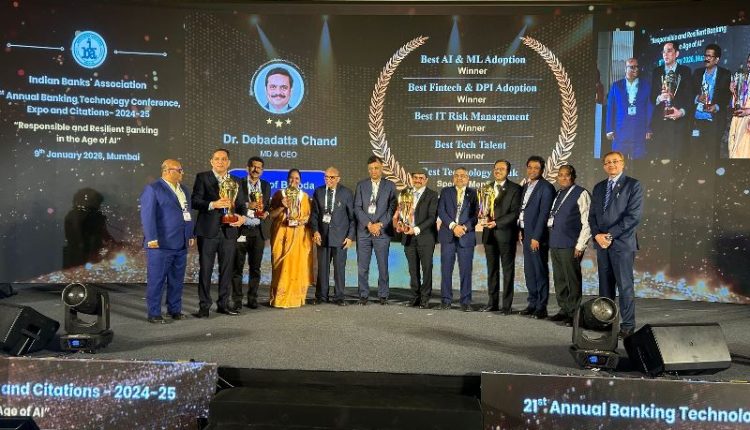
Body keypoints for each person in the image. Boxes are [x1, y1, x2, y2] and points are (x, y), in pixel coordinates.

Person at [588, 151, 643, 338]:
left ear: (622, 163)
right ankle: (606, 323)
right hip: (601, 244)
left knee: (625, 286)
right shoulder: (599, 187)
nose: (611, 164)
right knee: (605, 287)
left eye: (615, 161)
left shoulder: (633, 185)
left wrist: (609, 235)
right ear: (604, 166)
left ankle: (627, 326)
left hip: (622, 244)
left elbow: (633, 217)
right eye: (607, 162)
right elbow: (592, 216)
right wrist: (597, 235)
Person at [192, 149, 247, 318]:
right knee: (206, 270)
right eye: (217, 159)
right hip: (208, 231)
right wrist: (213, 204)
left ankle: (223, 304)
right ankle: (204, 306)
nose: (220, 162)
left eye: (224, 159)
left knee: (227, 270)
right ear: (211, 161)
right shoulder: (202, 177)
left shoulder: (236, 181)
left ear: (228, 163)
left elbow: (241, 205)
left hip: (229, 232)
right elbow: (195, 201)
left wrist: (242, 217)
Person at [140, 159, 195, 324]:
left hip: (181, 242)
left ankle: (174, 310)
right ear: (167, 171)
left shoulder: (184, 189)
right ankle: (154, 313)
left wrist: (190, 235)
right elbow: (147, 216)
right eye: (179, 170)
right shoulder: (153, 188)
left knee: (176, 280)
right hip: (160, 244)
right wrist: (151, 239)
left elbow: (188, 213)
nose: (182, 172)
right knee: (157, 280)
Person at [547, 165, 591, 327]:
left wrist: (580, 245)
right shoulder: (558, 193)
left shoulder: (581, 193)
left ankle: (574, 313)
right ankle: (564, 309)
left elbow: (587, 222)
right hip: (555, 242)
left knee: (572, 279)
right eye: (561, 175)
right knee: (560, 279)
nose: (563, 178)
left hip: (571, 244)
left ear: (573, 176)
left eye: (567, 175)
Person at [354, 156, 397, 305]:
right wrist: (369, 224)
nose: (373, 171)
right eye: (371, 169)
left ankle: (383, 294)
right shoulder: (361, 185)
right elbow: (357, 207)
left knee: (382, 266)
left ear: (382, 168)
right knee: (362, 266)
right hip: (364, 232)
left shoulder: (390, 185)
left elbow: (392, 208)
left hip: (382, 232)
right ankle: (363, 294)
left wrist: (379, 224)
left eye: (376, 168)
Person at [480, 160, 522, 314]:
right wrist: (481, 216)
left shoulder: (515, 189)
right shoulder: (486, 188)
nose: (498, 171)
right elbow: (482, 209)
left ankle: (506, 306)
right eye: (496, 168)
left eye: (502, 169)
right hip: (489, 235)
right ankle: (492, 303)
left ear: (508, 171)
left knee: (507, 271)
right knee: (492, 270)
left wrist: (497, 223)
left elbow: (515, 212)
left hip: (506, 235)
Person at [268, 168, 313, 308]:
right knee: (281, 266)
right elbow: (271, 215)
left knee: (297, 265)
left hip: (299, 237)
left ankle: (296, 299)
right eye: (291, 178)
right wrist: (282, 206)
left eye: (297, 178)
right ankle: (279, 299)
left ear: (300, 181)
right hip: (282, 235)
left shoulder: (305, 197)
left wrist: (302, 221)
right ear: (287, 179)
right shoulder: (279, 194)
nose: (294, 181)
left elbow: (309, 216)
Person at [232, 156, 272, 312]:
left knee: (255, 268)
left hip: (258, 231)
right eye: (253, 167)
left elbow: (267, 205)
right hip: (241, 231)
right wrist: (248, 205)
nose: (256, 170)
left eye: (259, 167)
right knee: (237, 268)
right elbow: (233, 204)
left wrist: (266, 212)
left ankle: (252, 298)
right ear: (247, 168)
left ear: (262, 170)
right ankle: (237, 300)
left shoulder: (266, 185)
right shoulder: (238, 184)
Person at [310, 167, 355, 306]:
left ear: (338, 178)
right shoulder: (318, 192)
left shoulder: (346, 193)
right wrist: (315, 231)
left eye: (332, 177)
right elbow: (314, 215)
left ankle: (339, 297)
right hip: (322, 237)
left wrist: (350, 237)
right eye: (326, 177)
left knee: (339, 269)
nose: (329, 180)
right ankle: (321, 296)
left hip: (341, 238)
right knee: (322, 269)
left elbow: (352, 218)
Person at [518, 156, 555, 319]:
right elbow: (522, 210)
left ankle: (541, 307)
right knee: (529, 270)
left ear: (542, 170)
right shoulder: (526, 186)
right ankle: (532, 303)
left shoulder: (546, 188)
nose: (532, 170)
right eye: (530, 167)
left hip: (537, 237)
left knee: (539, 271)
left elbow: (544, 214)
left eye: (536, 168)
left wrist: (536, 237)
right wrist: (520, 229)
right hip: (526, 233)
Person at [437, 167, 478, 312]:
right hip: (448, 235)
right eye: (457, 175)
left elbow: (475, 215)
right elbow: (441, 211)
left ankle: (465, 301)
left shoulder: (473, 193)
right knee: (446, 270)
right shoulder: (446, 192)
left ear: (468, 178)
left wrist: (464, 228)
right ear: (453, 178)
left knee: (466, 271)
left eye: (463, 176)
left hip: (466, 236)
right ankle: (446, 300)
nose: (459, 178)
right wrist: (454, 226)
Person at [398, 169, 438, 309]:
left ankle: (425, 298)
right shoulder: (405, 193)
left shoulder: (432, 195)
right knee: (413, 270)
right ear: (411, 179)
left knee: (426, 269)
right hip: (408, 238)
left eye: (421, 178)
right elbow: (401, 213)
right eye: (415, 177)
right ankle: (415, 297)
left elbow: (432, 218)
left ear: (426, 180)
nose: (418, 180)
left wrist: (415, 229)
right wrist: (401, 224)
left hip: (425, 238)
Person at [650, 41, 696, 159]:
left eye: (669, 51)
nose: (665, 54)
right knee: (661, 161)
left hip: (678, 125)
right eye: (663, 52)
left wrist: (681, 112)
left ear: (677, 54)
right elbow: (652, 97)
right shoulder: (657, 71)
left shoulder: (685, 71)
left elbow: (689, 97)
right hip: (660, 125)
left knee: (678, 159)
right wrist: (659, 98)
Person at [605, 58, 654, 160]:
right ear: (625, 69)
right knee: (618, 161)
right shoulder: (616, 86)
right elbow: (610, 109)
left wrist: (648, 128)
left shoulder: (646, 86)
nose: (635, 69)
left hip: (639, 131)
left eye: (637, 67)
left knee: (639, 162)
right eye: (632, 67)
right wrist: (609, 129)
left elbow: (649, 108)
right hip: (620, 131)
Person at [692, 44, 731, 160]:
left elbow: (727, 96)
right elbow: (689, 92)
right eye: (705, 55)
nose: (706, 58)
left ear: (717, 59)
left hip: (713, 122)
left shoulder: (725, 74)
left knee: (713, 157)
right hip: (696, 121)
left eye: (710, 56)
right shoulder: (697, 73)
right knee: (696, 156)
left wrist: (717, 106)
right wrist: (697, 98)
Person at [728, 53, 750, 159]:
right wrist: (734, 91)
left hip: (748, 121)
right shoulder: (744, 78)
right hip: (739, 118)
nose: (749, 65)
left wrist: (748, 111)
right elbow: (738, 101)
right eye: (749, 62)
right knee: (735, 151)